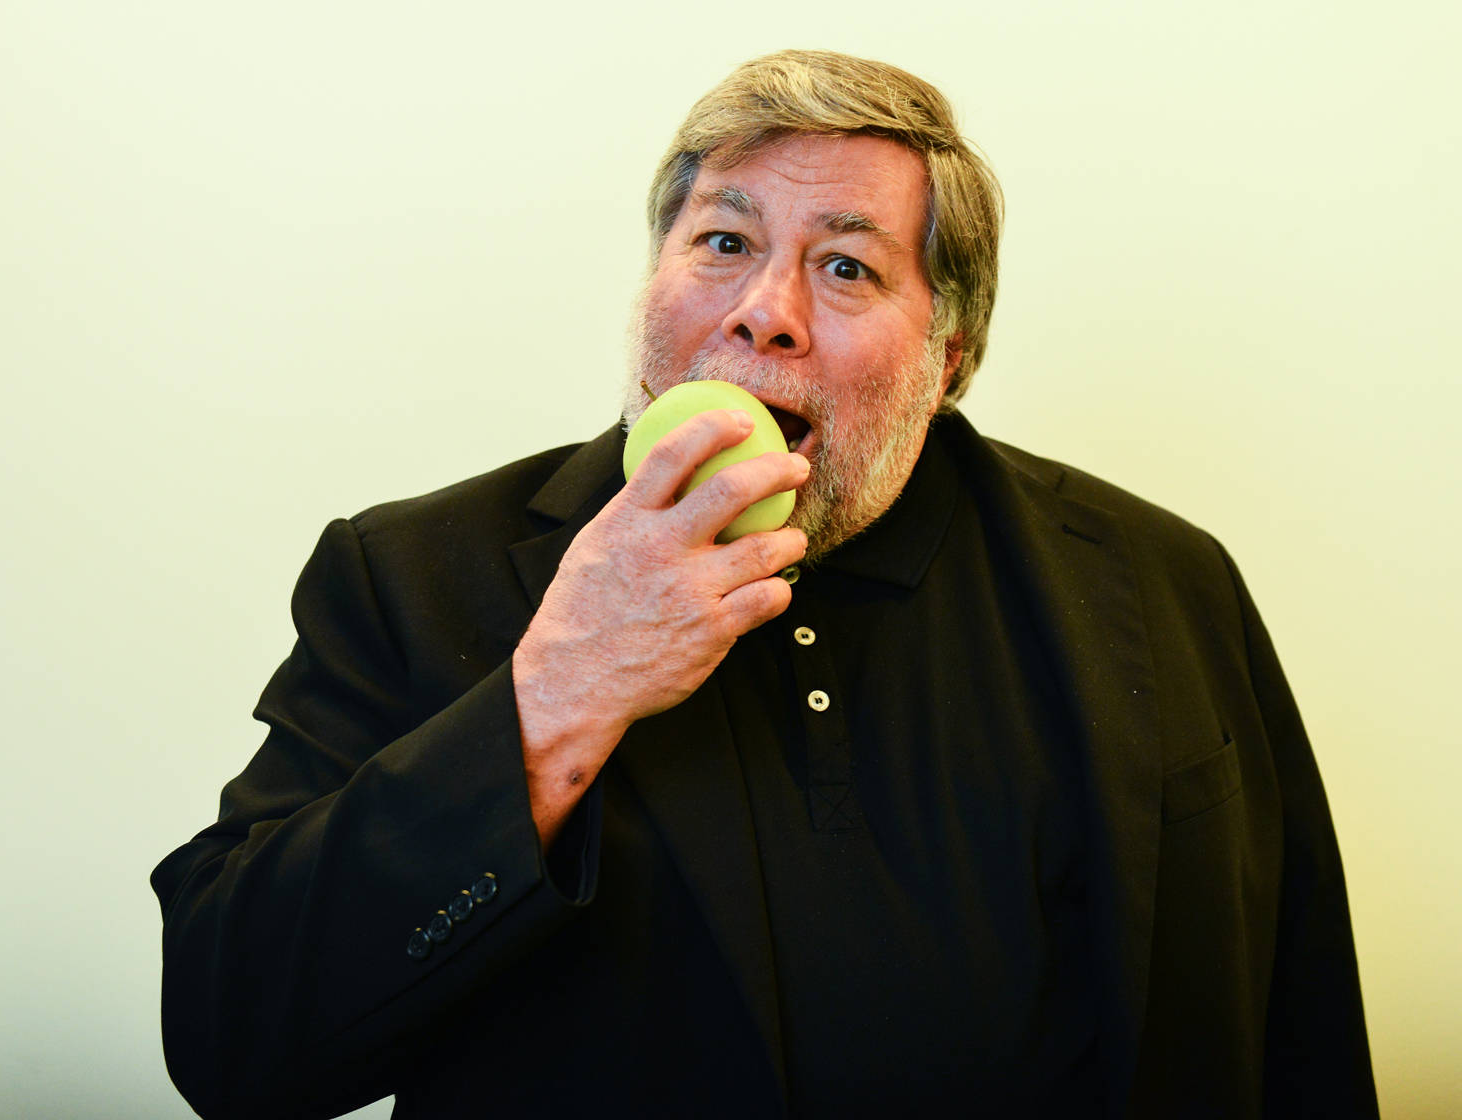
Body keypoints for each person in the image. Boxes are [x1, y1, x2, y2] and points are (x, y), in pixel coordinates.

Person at [152, 49, 1377, 1119]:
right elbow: (233, 1034)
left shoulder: (1160, 582)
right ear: (652, 287)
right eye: (723, 243)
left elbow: (1293, 1016)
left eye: (845, 268)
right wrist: (562, 689)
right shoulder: (410, 573)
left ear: (946, 355)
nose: (762, 313)